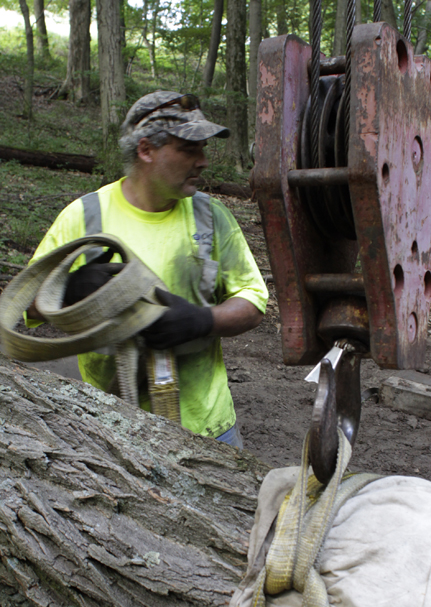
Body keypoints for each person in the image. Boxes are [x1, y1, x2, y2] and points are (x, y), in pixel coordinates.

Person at [26, 91, 268, 448]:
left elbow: (253, 301)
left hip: (209, 429)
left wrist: (203, 320)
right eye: (189, 149)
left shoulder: (212, 217)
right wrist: (68, 289)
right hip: (113, 428)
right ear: (146, 150)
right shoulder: (85, 216)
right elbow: (27, 304)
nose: (203, 161)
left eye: (203, 148)